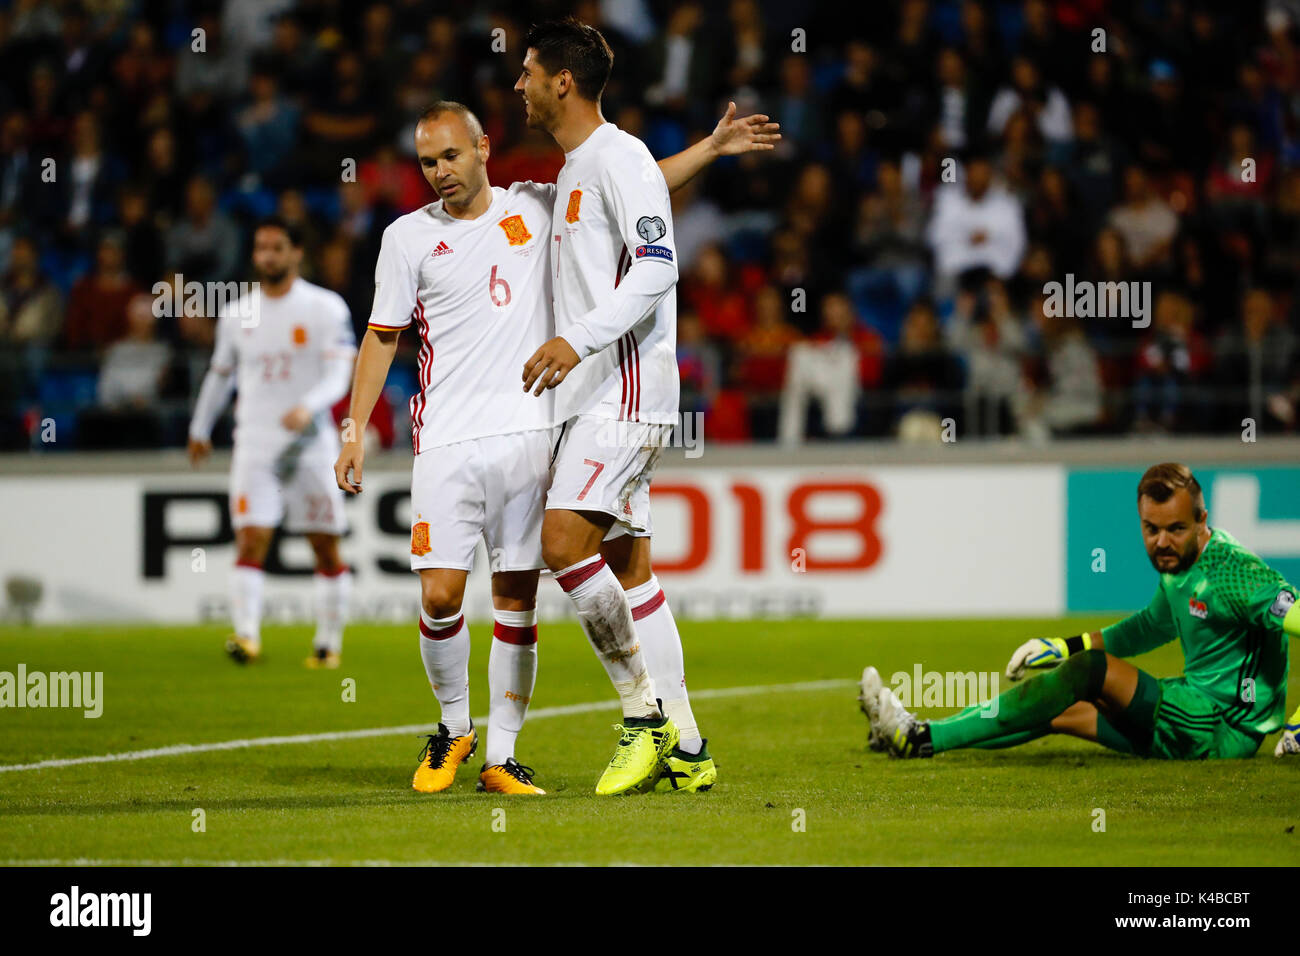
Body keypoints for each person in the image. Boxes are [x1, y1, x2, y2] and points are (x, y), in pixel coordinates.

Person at [335, 97, 777, 796]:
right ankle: (455, 729)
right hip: (444, 439)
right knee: (442, 594)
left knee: (518, 597)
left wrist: (710, 149)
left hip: (531, 432)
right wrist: (354, 429)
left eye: (451, 155)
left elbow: (634, 186)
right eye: (426, 162)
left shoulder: (535, 206)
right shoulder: (406, 238)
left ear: (483, 149)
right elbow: (382, 337)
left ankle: (503, 757)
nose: (440, 172)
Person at [517, 18, 777, 794]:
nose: (519, 82)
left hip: (622, 385)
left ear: (562, 80)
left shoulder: (615, 156)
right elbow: (642, 192)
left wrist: (577, 340)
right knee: (631, 568)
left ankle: (643, 720)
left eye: (528, 70)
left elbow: (657, 267)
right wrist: (709, 149)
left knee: (562, 543)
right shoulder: (593, 165)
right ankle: (690, 748)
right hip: (601, 392)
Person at [858, 463, 1299, 760]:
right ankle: (917, 738)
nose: (1161, 542)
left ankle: (913, 734)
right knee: (1053, 705)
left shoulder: (1235, 574)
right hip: (1191, 709)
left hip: (1222, 726)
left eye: (1176, 529)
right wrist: (1060, 645)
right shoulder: (1179, 568)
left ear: (1203, 519)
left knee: (1089, 671)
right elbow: (1147, 627)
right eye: (1151, 529)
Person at [188, 216, 356, 668]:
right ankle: (246, 637)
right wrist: (200, 428)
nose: (267, 256)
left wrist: (311, 404)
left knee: (324, 544)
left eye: (277, 247)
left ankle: (328, 644)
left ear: (297, 252)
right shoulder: (236, 313)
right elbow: (220, 376)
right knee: (251, 539)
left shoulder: (326, 307)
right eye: (261, 247)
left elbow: (342, 372)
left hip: (309, 443)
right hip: (255, 442)